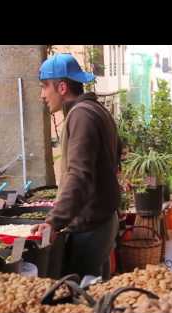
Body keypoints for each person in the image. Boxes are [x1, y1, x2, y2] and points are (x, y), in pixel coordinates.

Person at [31, 53, 120, 281]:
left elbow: (79, 174)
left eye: (44, 87)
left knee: (78, 295)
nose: (42, 95)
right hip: (101, 221)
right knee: (94, 290)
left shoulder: (81, 116)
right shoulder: (96, 110)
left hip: (90, 228)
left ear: (62, 87)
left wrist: (53, 221)